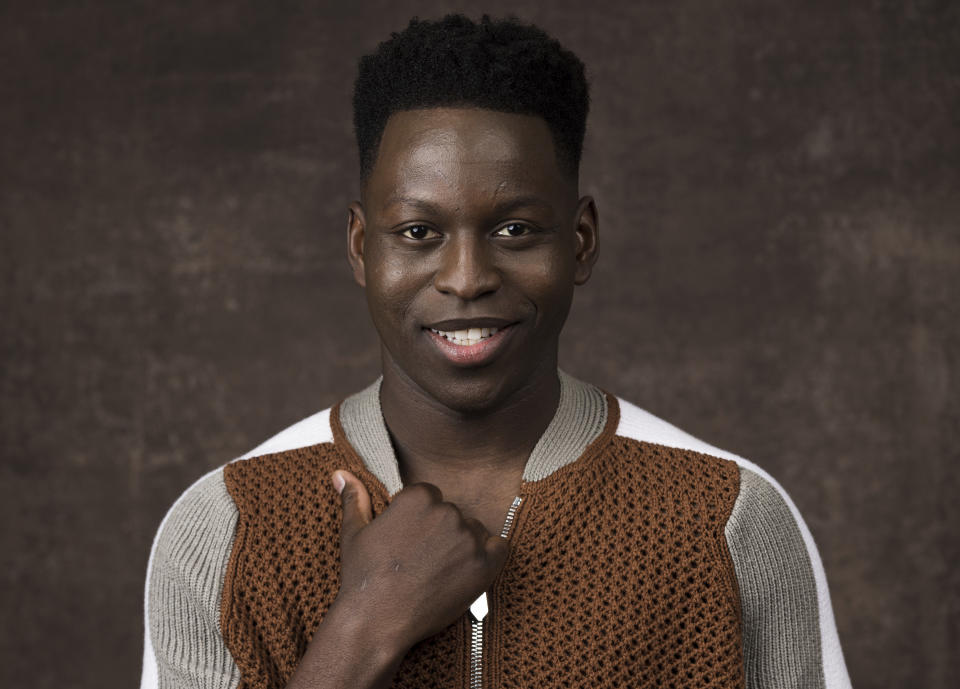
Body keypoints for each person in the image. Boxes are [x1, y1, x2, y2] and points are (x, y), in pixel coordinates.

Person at [139, 14, 852, 689]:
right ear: (362, 246)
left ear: (581, 242)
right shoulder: (227, 526)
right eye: (419, 232)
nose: (467, 277)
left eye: (514, 230)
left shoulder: (727, 518)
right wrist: (362, 629)